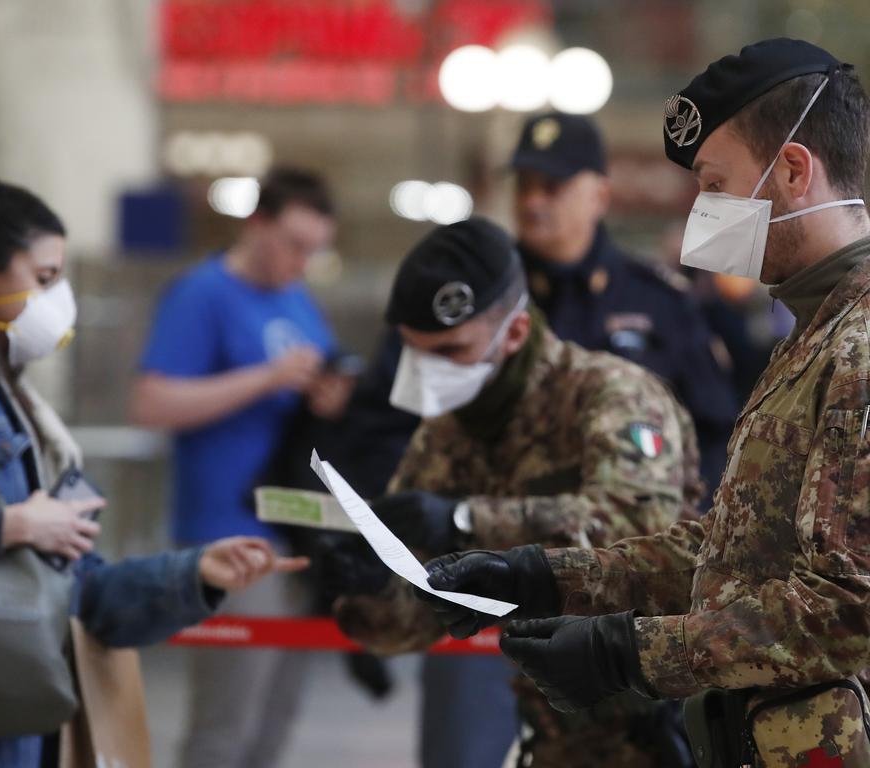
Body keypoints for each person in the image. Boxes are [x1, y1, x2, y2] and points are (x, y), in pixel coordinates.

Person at [420, 39, 870, 766]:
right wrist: (543, 575)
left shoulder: (859, 346)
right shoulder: (813, 334)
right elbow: (734, 547)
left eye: (715, 183)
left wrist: (629, 653)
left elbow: (850, 609)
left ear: (792, 170)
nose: (702, 215)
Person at [0, 172, 308, 768]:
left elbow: (81, 589)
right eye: (43, 279)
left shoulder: (15, 402)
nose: (58, 298)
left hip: (21, 722)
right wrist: (7, 526)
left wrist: (197, 574)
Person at [332, 217, 702, 767]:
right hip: (553, 730)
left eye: (451, 350)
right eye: (416, 353)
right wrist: (371, 590)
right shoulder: (446, 433)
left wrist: (463, 521)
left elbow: (639, 531)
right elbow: (429, 617)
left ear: (515, 333)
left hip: (658, 719)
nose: (430, 371)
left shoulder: (610, 394)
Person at [130, 167, 347, 768]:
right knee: (225, 723)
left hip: (296, 520)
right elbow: (152, 403)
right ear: (257, 225)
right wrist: (266, 379)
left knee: (273, 725)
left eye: (315, 250)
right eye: (295, 246)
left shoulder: (296, 300)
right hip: (227, 527)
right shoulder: (202, 295)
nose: (302, 262)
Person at [511, 111, 736, 499]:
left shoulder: (659, 301)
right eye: (524, 186)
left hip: (633, 533)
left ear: (600, 195)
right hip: (505, 532)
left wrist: (686, 525)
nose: (533, 202)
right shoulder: (489, 298)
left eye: (551, 186)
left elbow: (715, 432)